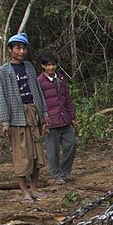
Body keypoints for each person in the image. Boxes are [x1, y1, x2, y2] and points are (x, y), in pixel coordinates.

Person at [0, 32, 49, 202]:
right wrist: (5, 121)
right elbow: (1, 97)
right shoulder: (3, 72)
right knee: (21, 156)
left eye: (24, 47)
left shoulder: (29, 67)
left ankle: (33, 188)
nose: (21, 51)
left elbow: (38, 92)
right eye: (18, 47)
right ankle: (24, 190)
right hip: (17, 118)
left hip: (34, 114)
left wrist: (44, 113)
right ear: (10, 50)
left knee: (37, 155)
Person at [37, 52, 78, 184]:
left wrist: (72, 117)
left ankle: (65, 172)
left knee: (71, 144)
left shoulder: (61, 79)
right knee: (52, 151)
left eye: (53, 64)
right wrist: (43, 121)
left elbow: (68, 99)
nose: (51, 68)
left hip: (64, 119)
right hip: (50, 122)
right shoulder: (39, 82)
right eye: (48, 65)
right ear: (43, 66)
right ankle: (57, 175)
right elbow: (38, 102)